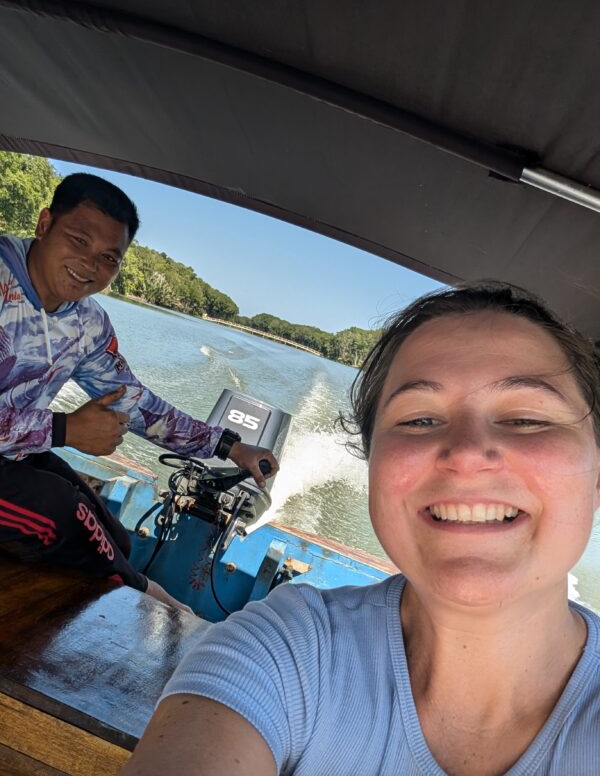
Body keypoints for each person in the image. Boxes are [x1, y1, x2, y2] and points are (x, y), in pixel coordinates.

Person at [122, 281, 599, 775]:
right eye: (419, 420)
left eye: (526, 418)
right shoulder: (284, 649)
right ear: (373, 466)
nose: (467, 453)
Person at [0, 173, 278, 611]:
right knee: (63, 514)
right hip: (21, 447)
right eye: (78, 240)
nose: (90, 265)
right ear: (43, 223)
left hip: (15, 452)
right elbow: (57, 430)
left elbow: (136, 402)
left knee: (117, 536)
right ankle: (157, 602)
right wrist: (64, 428)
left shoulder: (86, 325)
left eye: (109, 257)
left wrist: (228, 445)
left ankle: (123, 583)